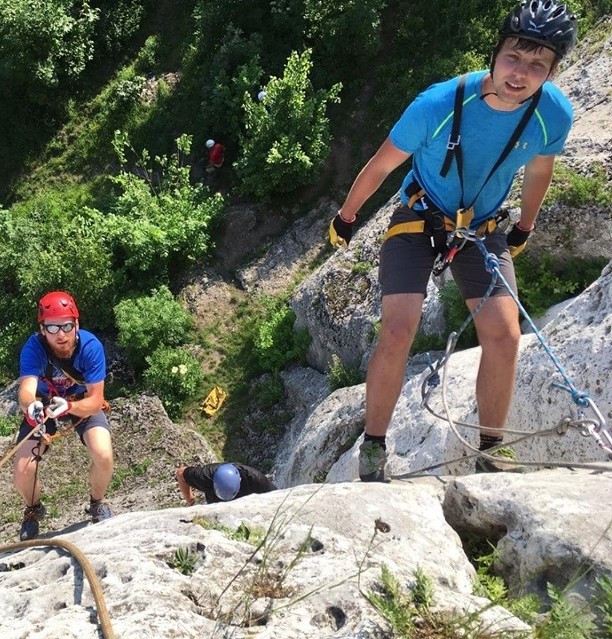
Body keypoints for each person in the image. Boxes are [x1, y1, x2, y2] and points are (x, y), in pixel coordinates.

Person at [327, 0, 577, 482]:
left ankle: (490, 448)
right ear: (495, 53)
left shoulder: (552, 115)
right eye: (513, 57)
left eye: (536, 65)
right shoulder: (439, 105)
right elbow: (383, 164)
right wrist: (347, 215)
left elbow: (538, 172)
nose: (520, 74)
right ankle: (375, 448)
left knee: (505, 337)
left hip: (481, 229)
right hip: (419, 220)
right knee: (398, 331)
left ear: (551, 71)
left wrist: (525, 225)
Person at [14, 291, 114, 540]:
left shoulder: (90, 348)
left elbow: (96, 400)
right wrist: (31, 407)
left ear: (76, 324)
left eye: (67, 326)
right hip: (45, 404)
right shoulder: (34, 348)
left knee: (103, 454)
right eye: (52, 327)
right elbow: (26, 390)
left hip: (80, 401)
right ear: (42, 329)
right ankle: (34, 509)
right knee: (23, 471)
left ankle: (97, 503)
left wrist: (69, 408)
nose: (61, 334)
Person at [176, 462, 276, 505]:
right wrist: (191, 501)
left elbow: (278, 498)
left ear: (240, 480)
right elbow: (181, 473)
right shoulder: (205, 476)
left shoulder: (257, 481)